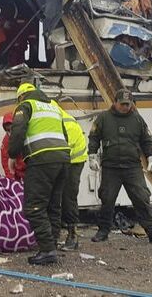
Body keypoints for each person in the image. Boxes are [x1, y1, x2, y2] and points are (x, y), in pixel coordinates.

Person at [87, 89, 152, 243]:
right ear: (115, 103)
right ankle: (103, 231)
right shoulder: (103, 118)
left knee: (142, 198)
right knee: (107, 199)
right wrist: (92, 155)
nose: (126, 107)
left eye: (128, 104)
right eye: (123, 104)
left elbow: (147, 140)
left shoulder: (137, 119)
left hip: (132, 166)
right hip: (111, 167)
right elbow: (94, 137)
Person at [8, 83, 70, 265]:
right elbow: (64, 133)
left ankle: (47, 249)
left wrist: (12, 155)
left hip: (42, 159)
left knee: (34, 206)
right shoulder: (53, 106)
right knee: (53, 204)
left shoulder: (26, 105)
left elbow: (18, 131)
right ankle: (53, 242)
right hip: (63, 159)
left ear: (21, 97)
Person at [53, 102, 88, 251]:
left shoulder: (66, 123)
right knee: (56, 196)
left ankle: (72, 235)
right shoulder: (55, 120)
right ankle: (55, 234)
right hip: (63, 160)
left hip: (74, 162)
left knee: (68, 196)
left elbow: (64, 148)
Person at [0, 112, 26, 181]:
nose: (10, 131)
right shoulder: (6, 141)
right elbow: (5, 161)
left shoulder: (25, 134)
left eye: (12, 129)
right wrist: (11, 179)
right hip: (18, 174)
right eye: (7, 130)